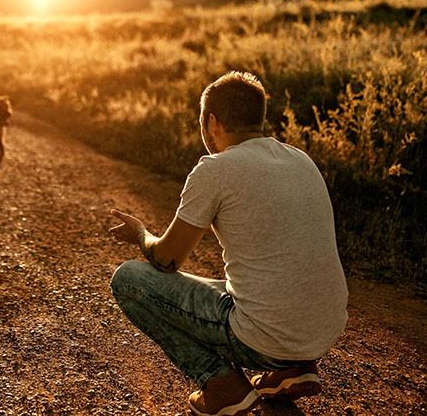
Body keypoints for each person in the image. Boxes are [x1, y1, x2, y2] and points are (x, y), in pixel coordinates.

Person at [108, 71, 348, 416]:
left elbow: (166, 261)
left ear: (212, 122)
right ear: (259, 119)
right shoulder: (300, 160)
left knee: (129, 279)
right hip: (323, 330)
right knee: (262, 284)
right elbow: (260, 226)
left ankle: (221, 384)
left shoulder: (214, 169)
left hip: (264, 335)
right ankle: (292, 369)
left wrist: (141, 234)